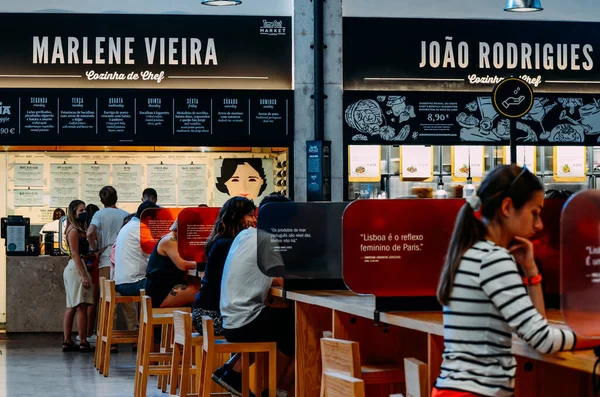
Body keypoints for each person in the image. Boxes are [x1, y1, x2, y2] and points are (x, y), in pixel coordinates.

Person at [433, 165, 599, 397]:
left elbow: (536, 328)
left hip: (455, 389)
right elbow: (543, 340)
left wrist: (531, 271)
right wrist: (596, 335)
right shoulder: (492, 259)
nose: (540, 224)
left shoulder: (472, 253)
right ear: (507, 207)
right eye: (535, 212)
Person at [216, 193, 293, 397]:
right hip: (244, 323)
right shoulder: (267, 239)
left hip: (231, 319)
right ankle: (279, 390)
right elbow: (283, 279)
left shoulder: (246, 235)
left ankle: (231, 371)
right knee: (297, 324)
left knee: (279, 315)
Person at [192, 197, 256, 336]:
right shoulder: (229, 244)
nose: (254, 220)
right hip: (213, 316)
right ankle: (248, 358)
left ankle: (245, 358)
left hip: (203, 313)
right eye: (251, 215)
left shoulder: (220, 240)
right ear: (237, 217)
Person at [62, 200, 94, 353]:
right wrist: (84, 275)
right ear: (73, 212)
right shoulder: (73, 231)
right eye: (81, 210)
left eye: (85, 210)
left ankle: (67, 341)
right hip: (76, 268)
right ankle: (82, 341)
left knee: (71, 306)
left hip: (74, 267)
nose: (84, 213)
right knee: (81, 306)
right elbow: (75, 254)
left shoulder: (77, 229)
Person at [145, 219, 200, 308]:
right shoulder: (169, 240)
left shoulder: (177, 240)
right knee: (207, 292)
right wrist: (205, 264)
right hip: (161, 291)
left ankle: (194, 320)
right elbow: (183, 265)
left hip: (167, 285)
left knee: (201, 286)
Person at [115, 201, 157, 296]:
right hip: (134, 283)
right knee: (169, 285)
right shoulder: (140, 228)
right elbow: (156, 254)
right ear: (149, 218)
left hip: (122, 283)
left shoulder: (129, 226)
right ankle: (154, 311)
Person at [86, 186, 129, 282]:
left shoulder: (99, 214)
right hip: (123, 260)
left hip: (106, 259)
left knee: (105, 294)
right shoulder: (126, 215)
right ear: (116, 198)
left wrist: (95, 250)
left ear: (101, 201)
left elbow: (89, 233)